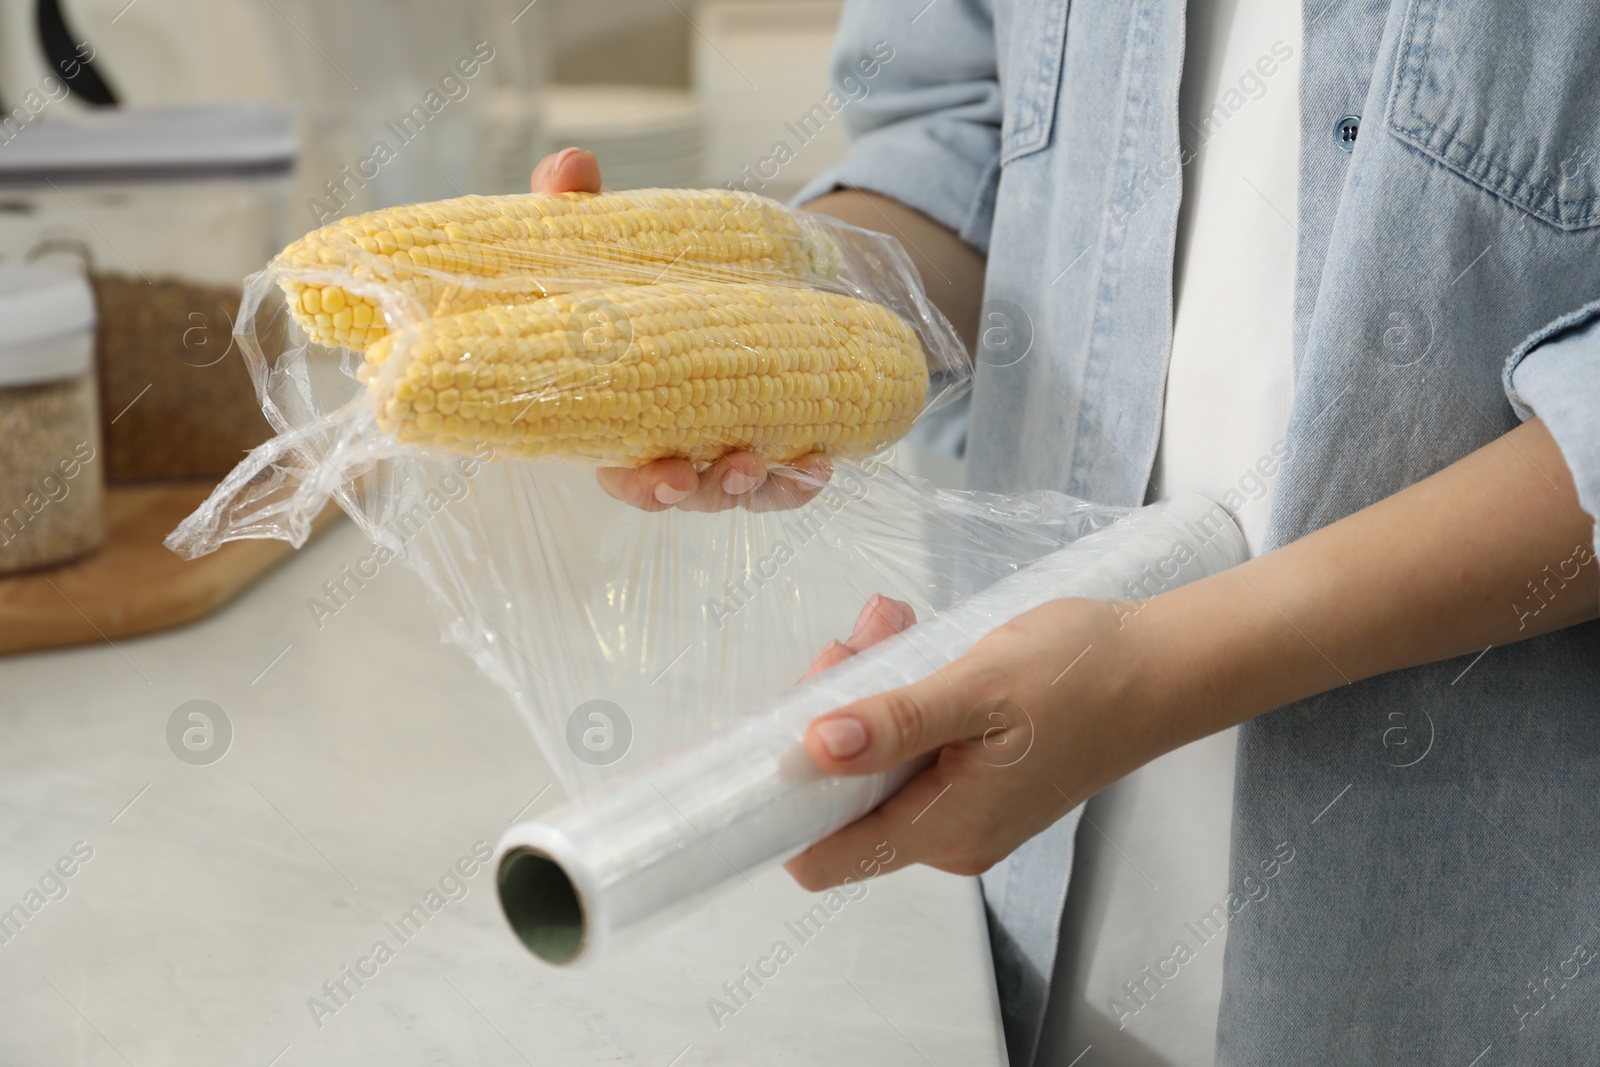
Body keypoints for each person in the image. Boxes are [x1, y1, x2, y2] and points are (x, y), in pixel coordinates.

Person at [531, 0, 1600, 1061]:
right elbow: (959, 141)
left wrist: (1156, 668)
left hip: (1466, 943)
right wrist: (777, 320)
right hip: (1037, 930)